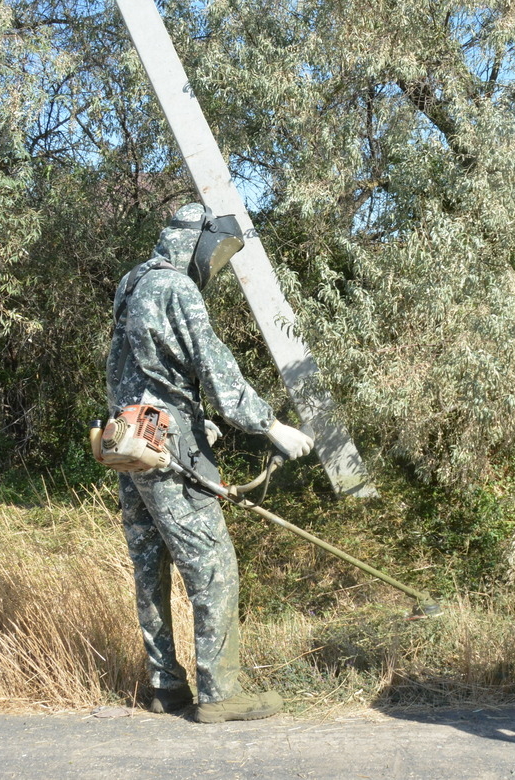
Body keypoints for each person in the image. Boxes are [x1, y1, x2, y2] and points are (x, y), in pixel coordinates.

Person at [106, 203, 315, 723]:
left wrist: (197, 421)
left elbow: (141, 371)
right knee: (214, 568)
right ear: (195, 242)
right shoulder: (176, 287)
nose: (216, 263)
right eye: (218, 251)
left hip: (130, 440)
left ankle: (166, 687)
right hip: (167, 446)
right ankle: (220, 694)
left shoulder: (133, 282)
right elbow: (215, 366)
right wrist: (271, 426)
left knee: (149, 570)